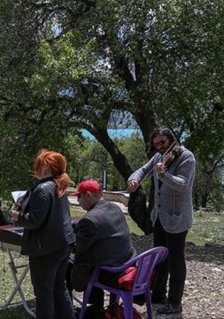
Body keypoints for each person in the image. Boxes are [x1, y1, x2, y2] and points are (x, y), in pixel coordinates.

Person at [127, 128, 195, 315]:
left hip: (177, 219)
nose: (159, 147)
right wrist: (134, 179)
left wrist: (164, 174)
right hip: (159, 216)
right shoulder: (159, 156)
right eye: (156, 144)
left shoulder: (186, 158)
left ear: (172, 140)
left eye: (162, 143)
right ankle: (158, 294)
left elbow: (182, 184)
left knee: (176, 261)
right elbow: (143, 170)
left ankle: (175, 302)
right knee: (159, 257)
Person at [10, 149, 75, 319]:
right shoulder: (58, 186)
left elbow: (34, 221)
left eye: (38, 164)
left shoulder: (43, 188)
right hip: (63, 245)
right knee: (59, 288)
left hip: (45, 248)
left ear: (46, 167)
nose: (35, 168)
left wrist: (18, 217)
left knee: (44, 293)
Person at [70, 180, 135, 317]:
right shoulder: (114, 208)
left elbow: (76, 247)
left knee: (65, 263)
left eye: (79, 196)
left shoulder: (90, 219)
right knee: (93, 256)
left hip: (111, 272)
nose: (78, 201)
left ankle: (66, 309)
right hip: (126, 263)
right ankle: (95, 305)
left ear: (88, 195)